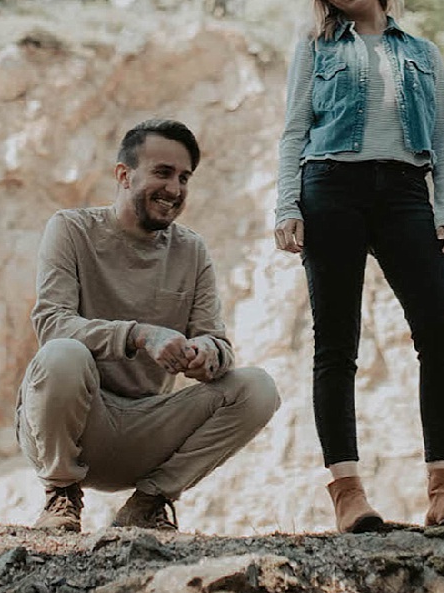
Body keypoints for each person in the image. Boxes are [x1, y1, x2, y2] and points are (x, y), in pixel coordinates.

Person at [274, 0, 444, 533]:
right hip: (330, 188)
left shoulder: (422, 51)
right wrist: (288, 207)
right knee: (336, 344)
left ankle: (443, 488)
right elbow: (293, 132)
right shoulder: (314, 48)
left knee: (439, 334)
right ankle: (348, 493)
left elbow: (443, 139)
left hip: (405, 194)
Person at [18, 117, 280, 532]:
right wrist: (141, 334)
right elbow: (53, 325)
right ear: (124, 175)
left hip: (148, 429)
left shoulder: (192, 251)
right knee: (62, 354)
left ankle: (149, 504)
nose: (174, 189)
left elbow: (218, 342)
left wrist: (207, 356)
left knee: (258, 388)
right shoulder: (70, 230)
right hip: (76, 423)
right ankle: (61, 496)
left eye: (184, 177)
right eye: (162, 173)